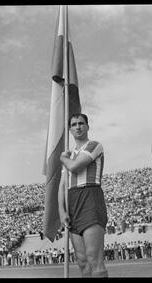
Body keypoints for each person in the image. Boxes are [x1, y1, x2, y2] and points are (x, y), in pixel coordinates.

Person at [58, 113, 108, 278]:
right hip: (73, 201)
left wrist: (62, 157)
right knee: (82, 261)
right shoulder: (69, 156)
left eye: (81, 123)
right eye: (74, 124)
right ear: (70, 130)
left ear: (87, 126)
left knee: (95, 259)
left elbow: (75, 167)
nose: (78, 127)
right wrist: (62, 211)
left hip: (89, 197)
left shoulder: (94, 145)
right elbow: (63, 185)